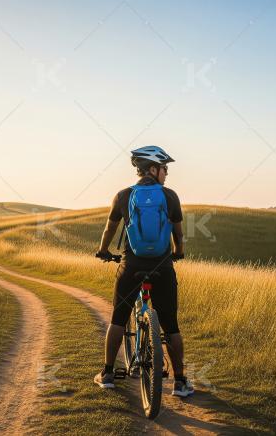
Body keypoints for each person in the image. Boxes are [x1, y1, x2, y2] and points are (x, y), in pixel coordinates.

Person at [93, 145, 194, 397]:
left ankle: (106, 374)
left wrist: (104, 251)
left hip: (132, 265)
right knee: (171, 326)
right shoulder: (170, 196)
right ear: (152, 168)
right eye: (164, 169)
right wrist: (178, 252)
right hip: (162, 267)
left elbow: (109, 230)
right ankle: (180, 382)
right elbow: (179, 234)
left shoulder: (123, 196)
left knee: (118, 319)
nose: (166, 174)